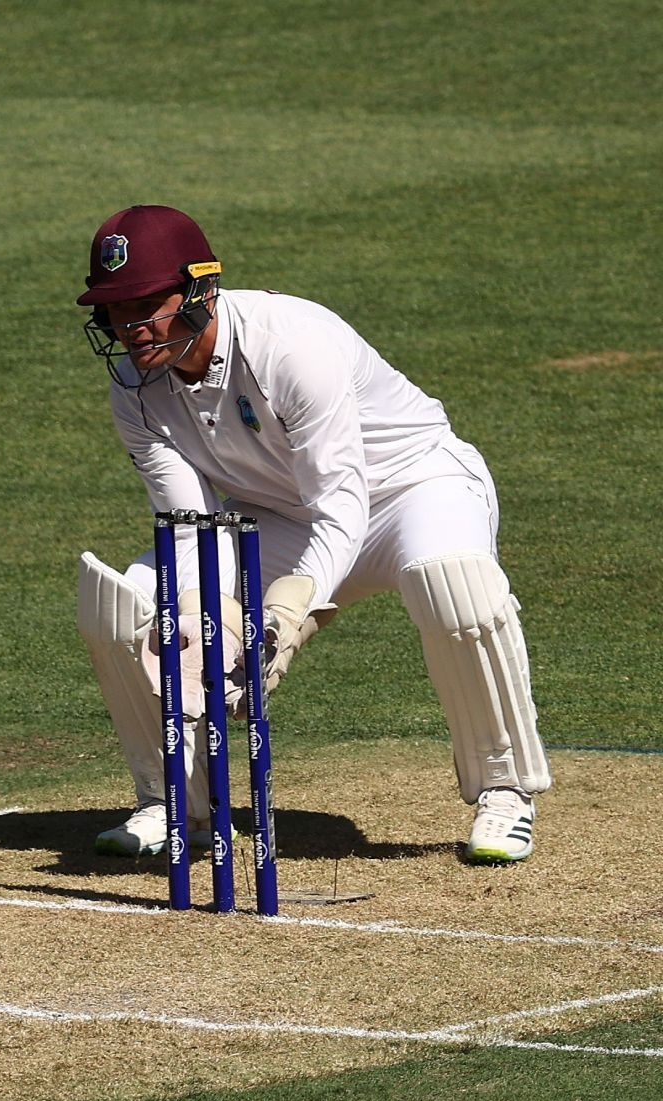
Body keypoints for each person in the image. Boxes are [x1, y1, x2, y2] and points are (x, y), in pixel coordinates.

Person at [70, 205, 549, 866]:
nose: (132, 327)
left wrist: (287, 615)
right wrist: (204, 620)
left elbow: (344, 501)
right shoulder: (134, 386)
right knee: (128, 604)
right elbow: (190, 527)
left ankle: (506, 790)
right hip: (279, 515)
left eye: (149, 304)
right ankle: (174, 800)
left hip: (411, 489)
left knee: (451, 584)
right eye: (117, 311)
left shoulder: (290, 344)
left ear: (201, 289)